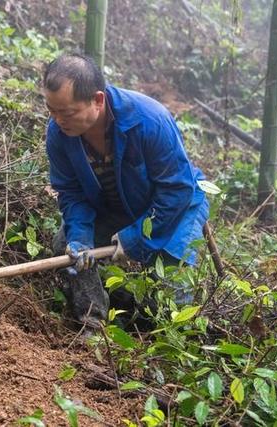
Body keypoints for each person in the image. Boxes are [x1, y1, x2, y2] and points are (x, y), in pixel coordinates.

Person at [43, 53, 209, 332]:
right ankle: (94, 323)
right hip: (113, 206)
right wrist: (81, 237)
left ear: (98, 100)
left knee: (170, 302)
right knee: (67, 246)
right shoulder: (59, 133)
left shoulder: (149, 120)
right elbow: (71, 192)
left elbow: (176, 190)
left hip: (173, 209)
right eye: (52, 110)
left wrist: (133, 239)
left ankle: (156, 335)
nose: (58, 120)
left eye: (67, 112)